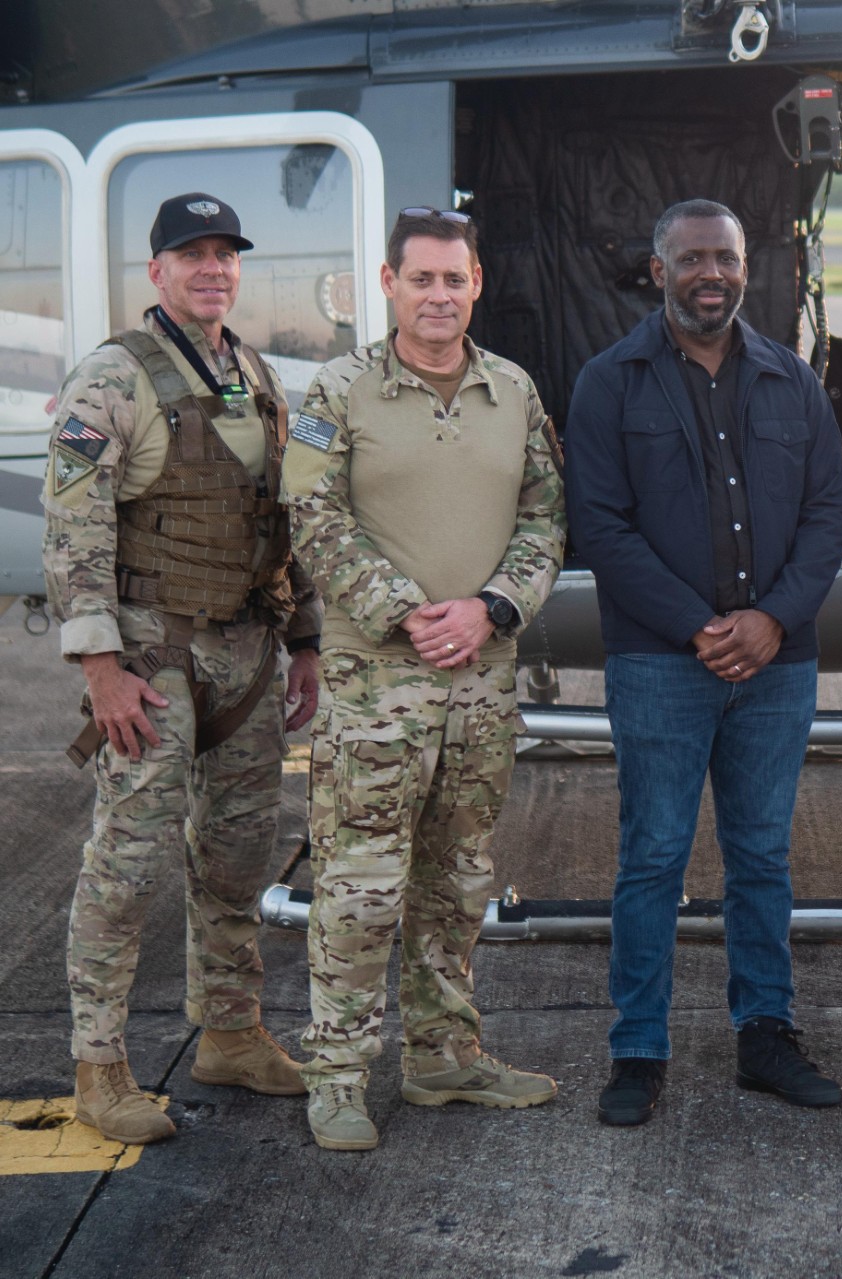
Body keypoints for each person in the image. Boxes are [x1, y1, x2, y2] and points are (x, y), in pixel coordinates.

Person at [43, 193, 321, 1145]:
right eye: (192, 254)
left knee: (238, 856)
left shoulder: (257, 373)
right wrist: (100, 666)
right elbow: (73, 522)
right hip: (153, 654)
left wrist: (307, 637)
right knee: (127, 862)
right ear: (156, 270)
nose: (212, 268)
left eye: (225, 254)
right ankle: (98, 1063)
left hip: (248, 652)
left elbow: (281, 515)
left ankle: (231, 1033)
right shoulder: (112, 376)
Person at [284, 208, 565, 1150]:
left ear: (476, 283)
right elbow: (310, 515)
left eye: (455, 279)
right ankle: (337, 1074)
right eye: (422, 279)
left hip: (481, 679)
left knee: (457, 878)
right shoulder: (340, 389)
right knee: (360, 883)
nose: (439, 295)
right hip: (376, 683)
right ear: (388, 283)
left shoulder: (512, 389)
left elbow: (546, 518)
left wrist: (492, 607)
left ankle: (444, 1056)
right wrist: (406, 609)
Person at [566, 199, 842, 1127]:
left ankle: (766, 1033)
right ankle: (638, 1048)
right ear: (659, 271)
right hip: (660, 663)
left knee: (761, 855)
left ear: (745, 267)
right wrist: (699, 626)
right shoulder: (609, 382)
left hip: (778, 664)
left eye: (725, 258)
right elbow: (600, 526)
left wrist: (771, 619)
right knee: (653, 855)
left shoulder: (793, 382)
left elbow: (828, 513)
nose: (711, 274)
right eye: (691, 259)